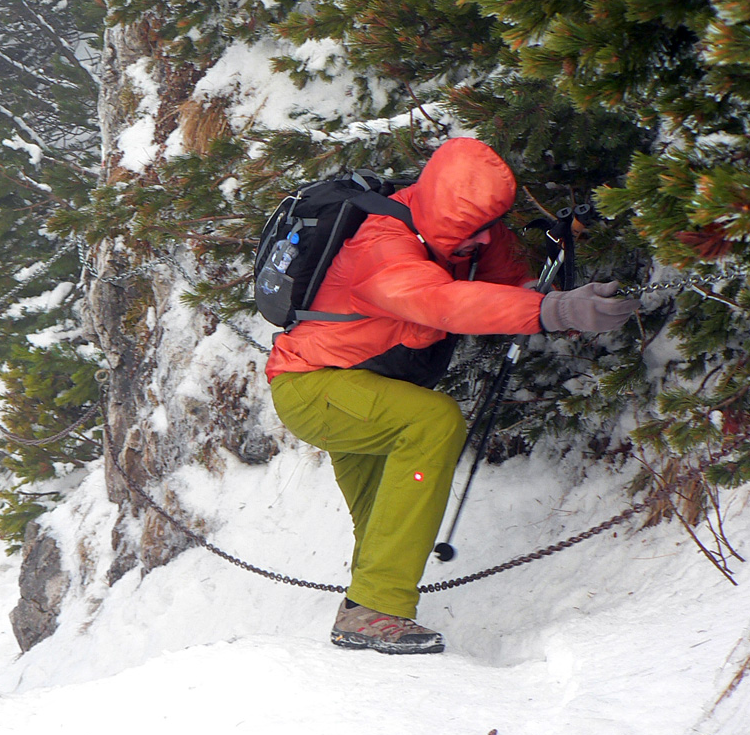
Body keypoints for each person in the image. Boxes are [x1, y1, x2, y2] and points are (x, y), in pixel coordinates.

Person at [265, 138, 639, 655]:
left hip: (370, 389)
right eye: (470, 229)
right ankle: (375, 610)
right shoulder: (381, 245)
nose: (483, 237)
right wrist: (548, 313)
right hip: (314, 388)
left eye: (488, 225)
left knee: (389, 520)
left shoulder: (472, 234)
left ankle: (365, 612)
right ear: (441, 214)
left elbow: (508, 286)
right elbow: (441, 302)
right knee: (433, 421)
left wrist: (560, 303)